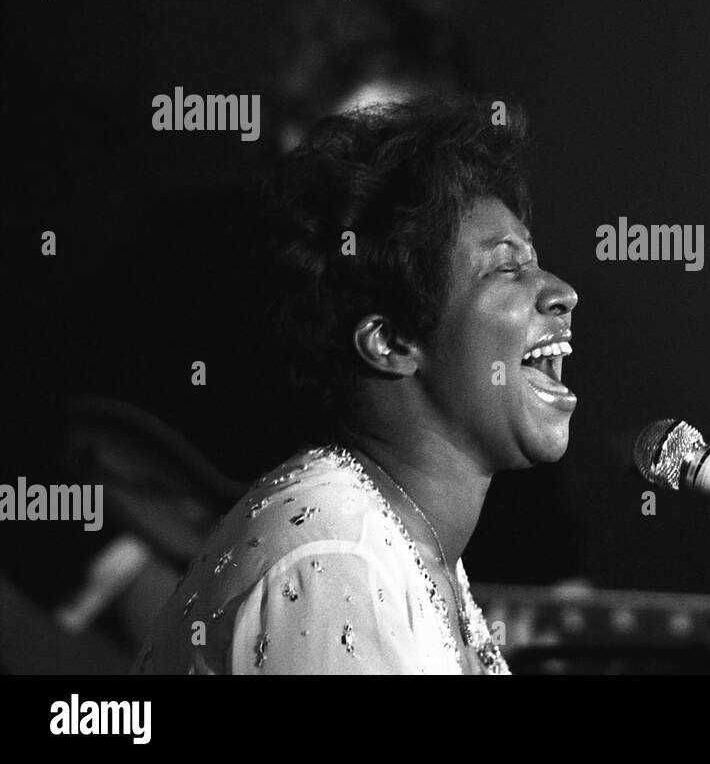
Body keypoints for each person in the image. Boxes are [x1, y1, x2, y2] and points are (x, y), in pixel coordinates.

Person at [132, 95, 579, 674]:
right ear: (390, 342)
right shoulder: (338, 560)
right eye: (505, 267)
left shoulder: (400, 540)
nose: (562, 291)